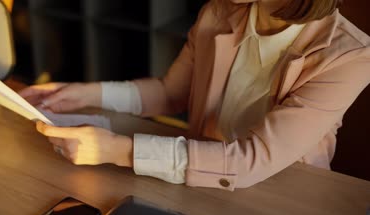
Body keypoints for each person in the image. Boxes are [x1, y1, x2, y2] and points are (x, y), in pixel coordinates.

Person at [19, 0, 370, 191]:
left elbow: (251, 162)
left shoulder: (350, 56)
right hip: (195, 175)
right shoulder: (217, 13)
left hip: (281, 198)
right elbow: (169, 94)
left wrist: (118, 150)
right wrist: (83, 93)